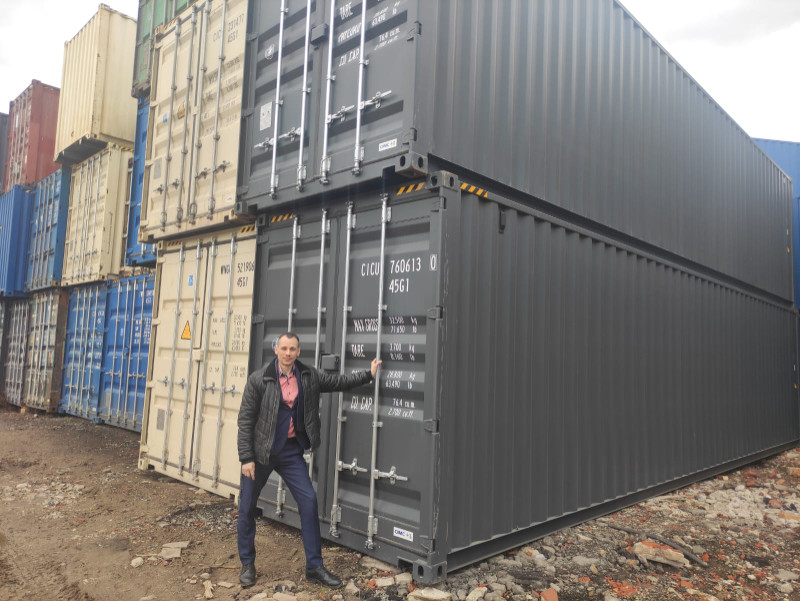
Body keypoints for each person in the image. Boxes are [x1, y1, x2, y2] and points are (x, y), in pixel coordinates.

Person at [237, 331, 381, 588]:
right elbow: (245, 420)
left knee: (309, 501)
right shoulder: (259, 379)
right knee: (247, 506)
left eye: (292, 349)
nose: (288, 353)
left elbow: (337, 382)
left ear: (298, 352)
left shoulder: (308, 376)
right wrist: (246, 457)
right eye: (284, 348)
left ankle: (314, 566)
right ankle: (247, 564)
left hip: (290, 452)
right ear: (276, 350)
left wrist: (368, 375)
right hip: (260, 454)